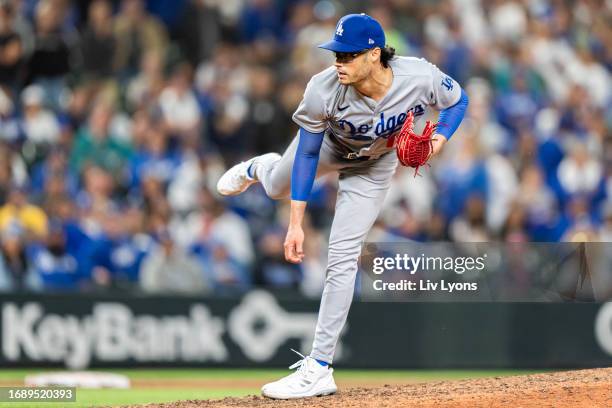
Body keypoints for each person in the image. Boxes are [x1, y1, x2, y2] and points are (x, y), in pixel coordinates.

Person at [216, 13, 469, 399]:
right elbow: (307, 154)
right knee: (274, 187)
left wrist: (439, 142)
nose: (338, 62)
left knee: (343, 256)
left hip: (374, 166)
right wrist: (295, 224)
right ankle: (257, 166)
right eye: (336, 53)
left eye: (348, 55)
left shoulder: (418, 76)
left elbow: (458, 100)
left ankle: (318, 367)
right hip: (331, 151)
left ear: (374, 54)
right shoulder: (323, 88)